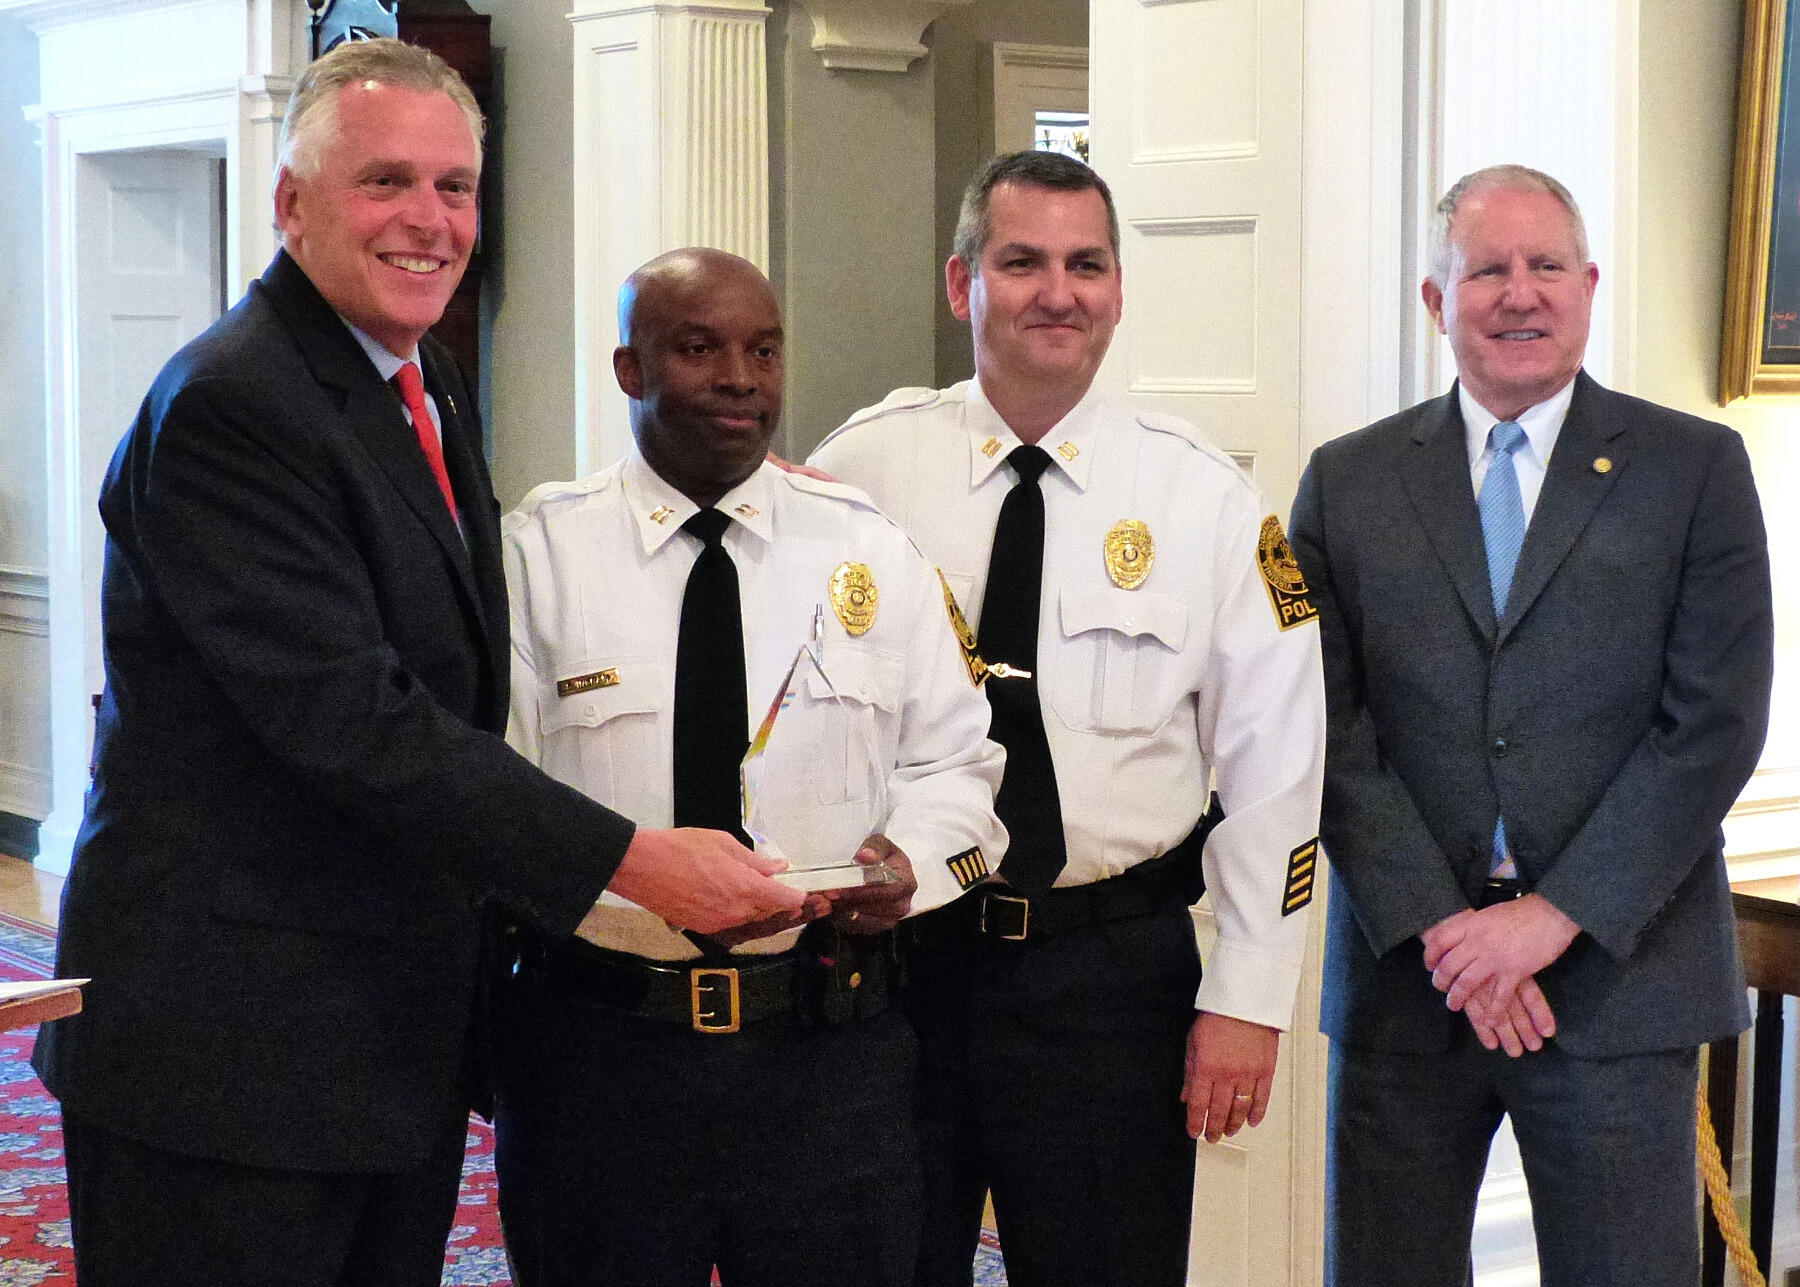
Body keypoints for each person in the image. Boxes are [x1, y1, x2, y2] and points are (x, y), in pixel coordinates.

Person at [33, 40, 801, 1287]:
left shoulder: (417, 377)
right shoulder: (234, 404)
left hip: (382, 1039)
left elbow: (455, 651)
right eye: (386, 181)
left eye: (455, 188)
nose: (430, 222)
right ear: (293, 204)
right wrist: (638, 863)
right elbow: (358, 723)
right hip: (229, 1058)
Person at [810, 150, 1324, 1287]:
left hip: (1109, 982)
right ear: (962, 285)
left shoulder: (1204, 497)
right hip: (898, 970)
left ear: (1119, 287)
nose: (1058, 291)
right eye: (1022, 261)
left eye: (1086, 264)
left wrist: (1247, 1000)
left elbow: (1277, 770)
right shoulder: (862, 472)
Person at [1289, 164, 1775, 1287]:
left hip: (1618, 982)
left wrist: (1547, 921)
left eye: (1546, 265)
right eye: (1487, 269)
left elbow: (1711, 725)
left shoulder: (1694, 470)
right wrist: (1449, 935)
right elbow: (1325, 724)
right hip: (1411, 986)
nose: (1520, 293)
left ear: (1588, 284)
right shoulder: (1346, 483)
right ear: (1435, 296)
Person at [493, 246, 1005, 1287]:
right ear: (631, 370)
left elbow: (961, 763)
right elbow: (495, 798)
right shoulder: (541, 554)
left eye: (763, 351)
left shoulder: (868, 550)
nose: (741, 378)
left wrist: (908, 860)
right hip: (601, 1058)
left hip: (825, 1057)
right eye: (699, 349)